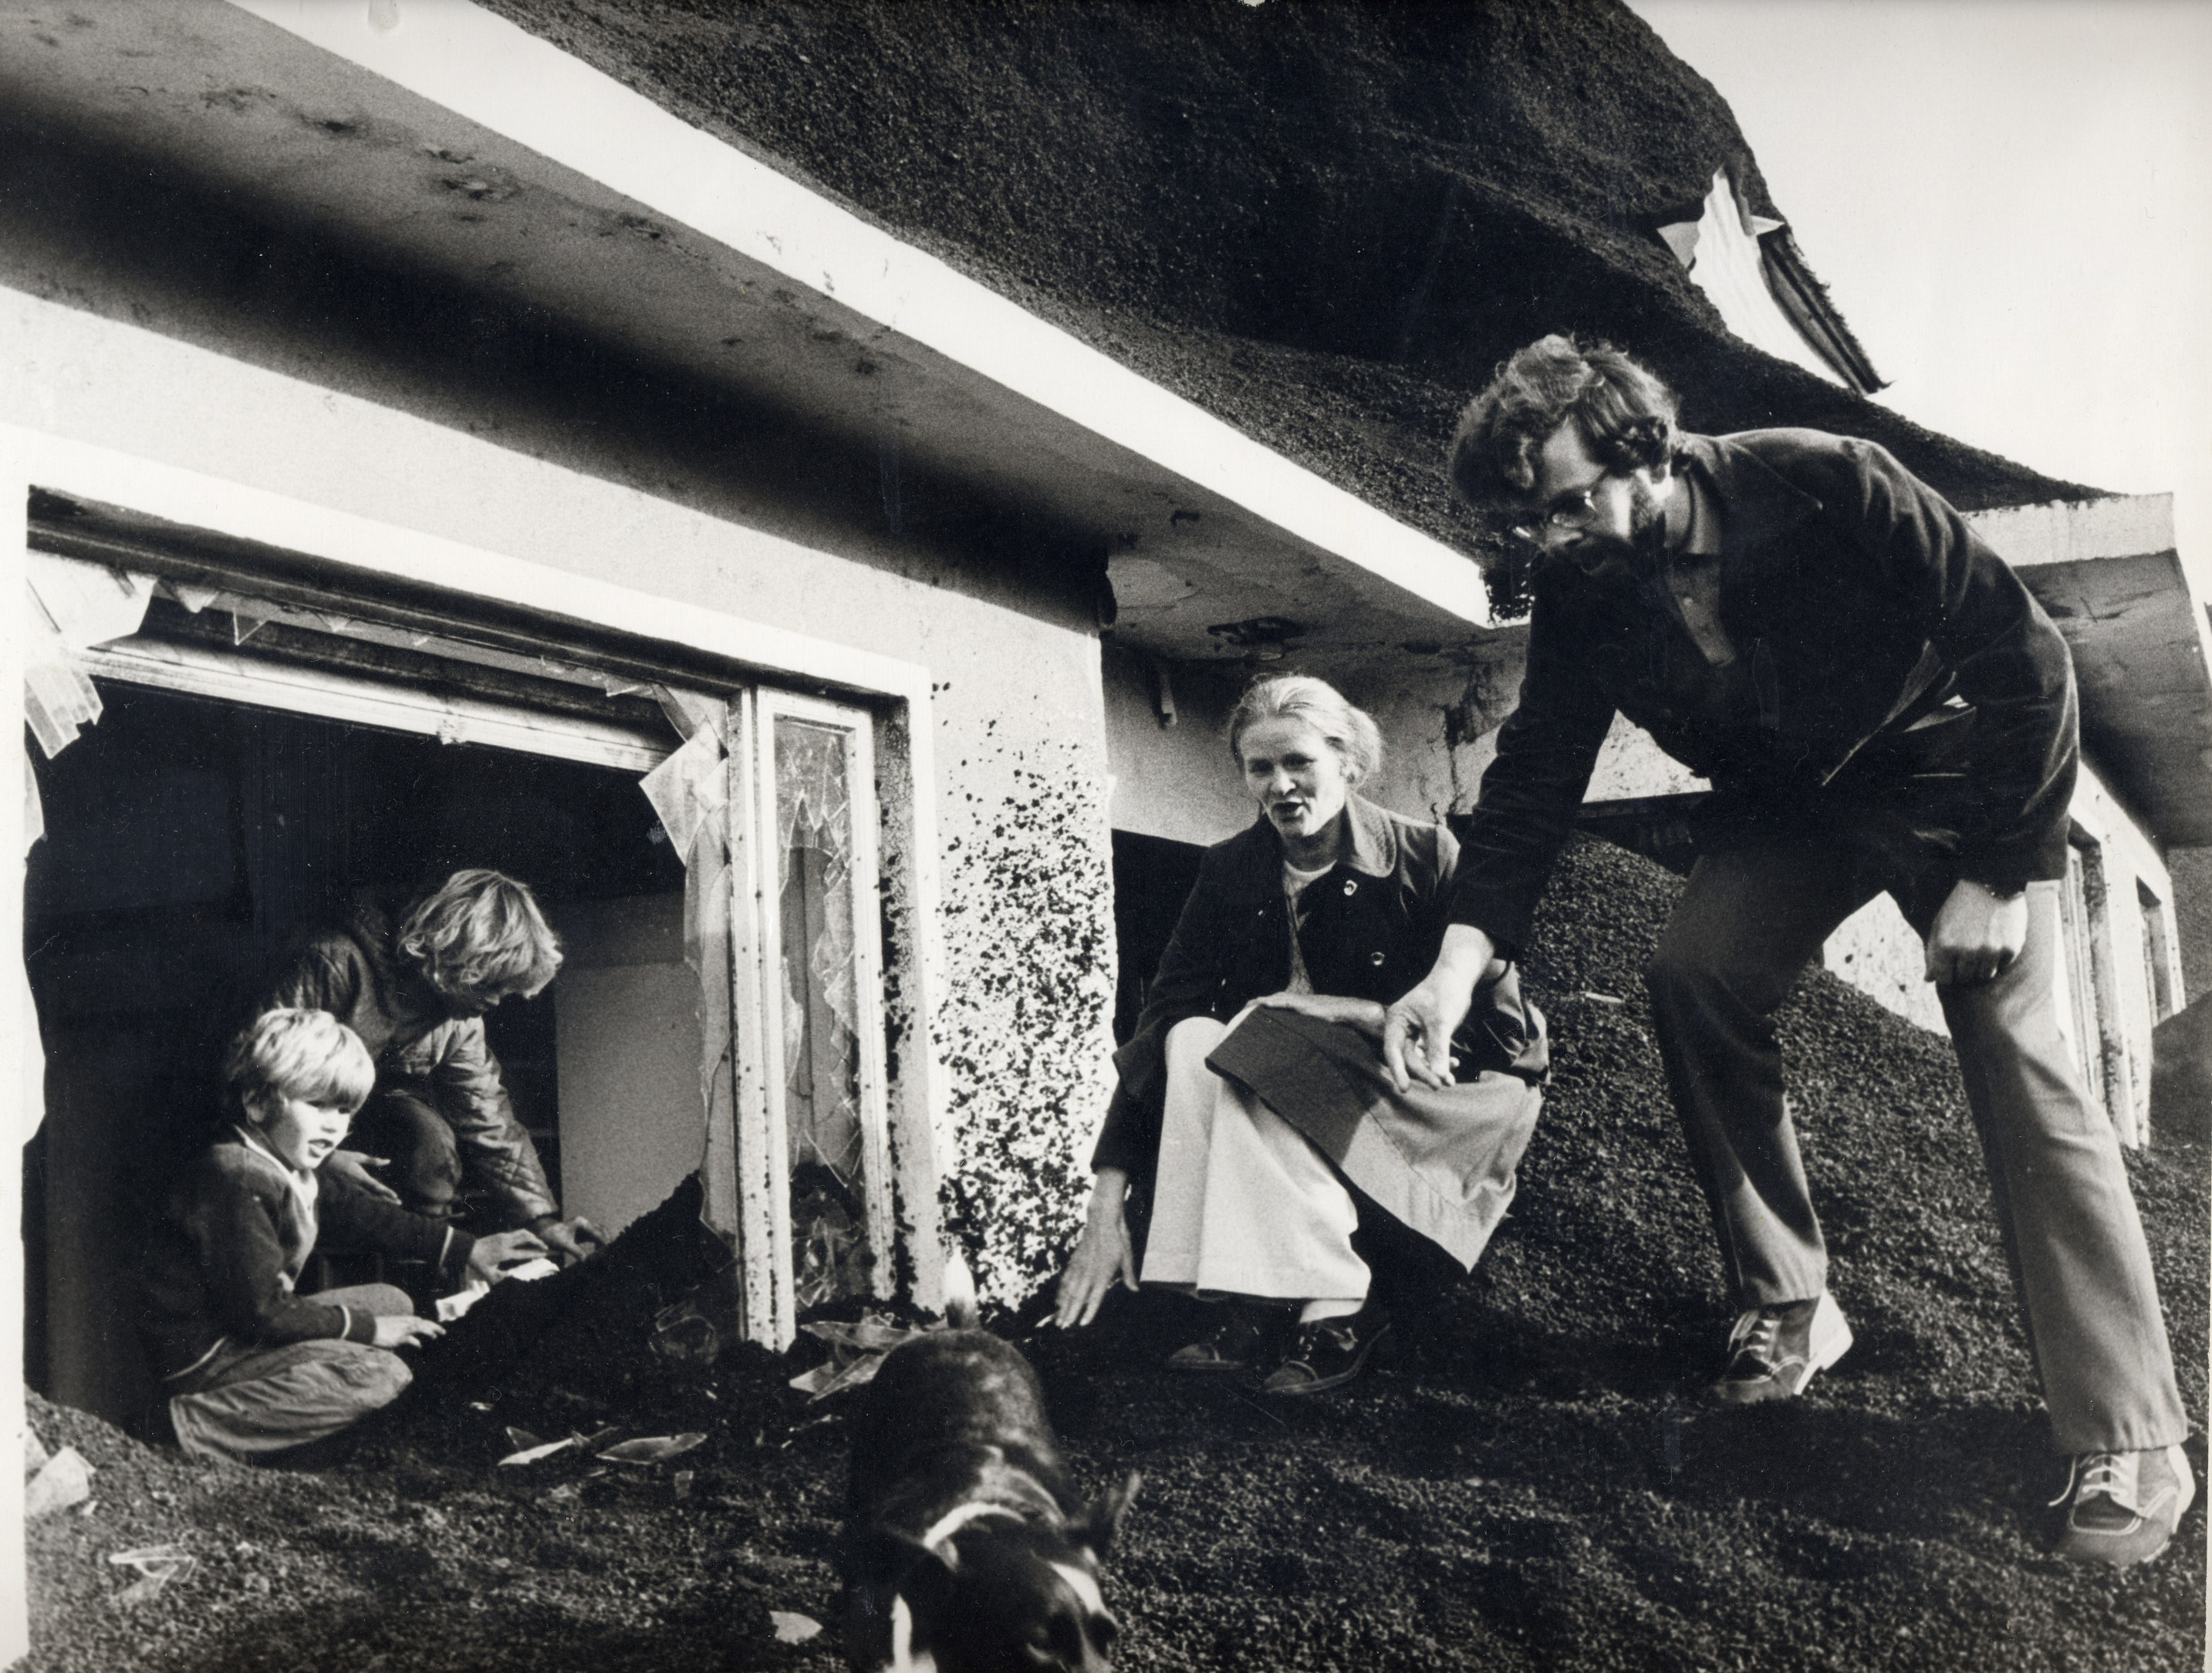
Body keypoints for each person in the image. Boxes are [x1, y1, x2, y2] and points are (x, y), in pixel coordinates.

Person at [1382, 332, 2191, 1564]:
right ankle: (1789, 1303)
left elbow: (2023, 656)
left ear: (1643, 447)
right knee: (1691, 976)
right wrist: (1451, 972)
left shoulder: (1826, 478)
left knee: (2012, 1049)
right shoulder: (1583, 586)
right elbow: (1534, 777)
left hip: (1948, 778)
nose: (1555, 536)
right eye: (1531, 521)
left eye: (1571, 503)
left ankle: (2128, 1433)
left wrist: (1995, 873)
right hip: (1789, 811)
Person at [1055, 676, 1546, 1394]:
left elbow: (1501, 1037)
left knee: (1266, 1029)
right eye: (1260, 767)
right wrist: (1106, 1199)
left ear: (1347, 761)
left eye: (1299, 762)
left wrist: (1356, 1013)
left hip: (1427, 1091)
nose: (1280, 785)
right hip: (1282, 1082)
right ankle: (1236, 1289)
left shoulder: (1424, 853)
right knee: (1190, 1036)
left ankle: (1338, 1298)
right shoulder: (1228, 869)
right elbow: (1158, 1021)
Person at [142, 1008, 546, 1462]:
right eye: (317, 1105)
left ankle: (293, 1407)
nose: (334, 1125)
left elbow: (363, 1215)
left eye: (345, 1110)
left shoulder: (287, 1163)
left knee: (392, 1301)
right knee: (383, 1375)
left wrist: (464, 1249)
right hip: (209, 1355)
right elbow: (261, 1313)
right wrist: (370, 1332)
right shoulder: (239, 1177)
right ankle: (185, 1430)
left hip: (243, 1328)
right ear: (258, 1102)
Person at [262, 868, 602, 1265]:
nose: (496, 1001)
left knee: (430, 1144)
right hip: (289, 1116)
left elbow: (488, 1118)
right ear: (458, 958)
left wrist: (541, 1220)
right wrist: (325, 1160)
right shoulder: (335, 960)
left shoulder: (461, 1021)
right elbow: (261, 1078)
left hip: (366, 1116)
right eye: (490, 985)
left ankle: (425, 1281)